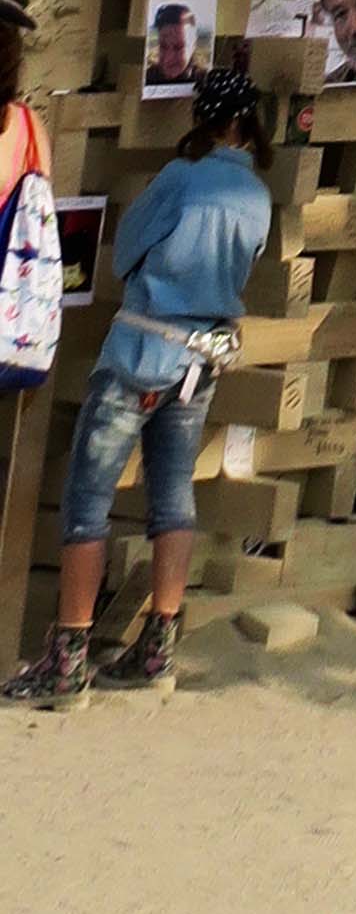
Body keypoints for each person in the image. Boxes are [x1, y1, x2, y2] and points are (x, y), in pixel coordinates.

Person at [5, 62, 274, 711]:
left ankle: (67, 658)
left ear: (206, 118)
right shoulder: (259, 195)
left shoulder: (181, 179)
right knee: (172, 500)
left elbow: (124, 251)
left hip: (139, 350)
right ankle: (159, 649)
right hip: (199, 363)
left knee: (87, 500)